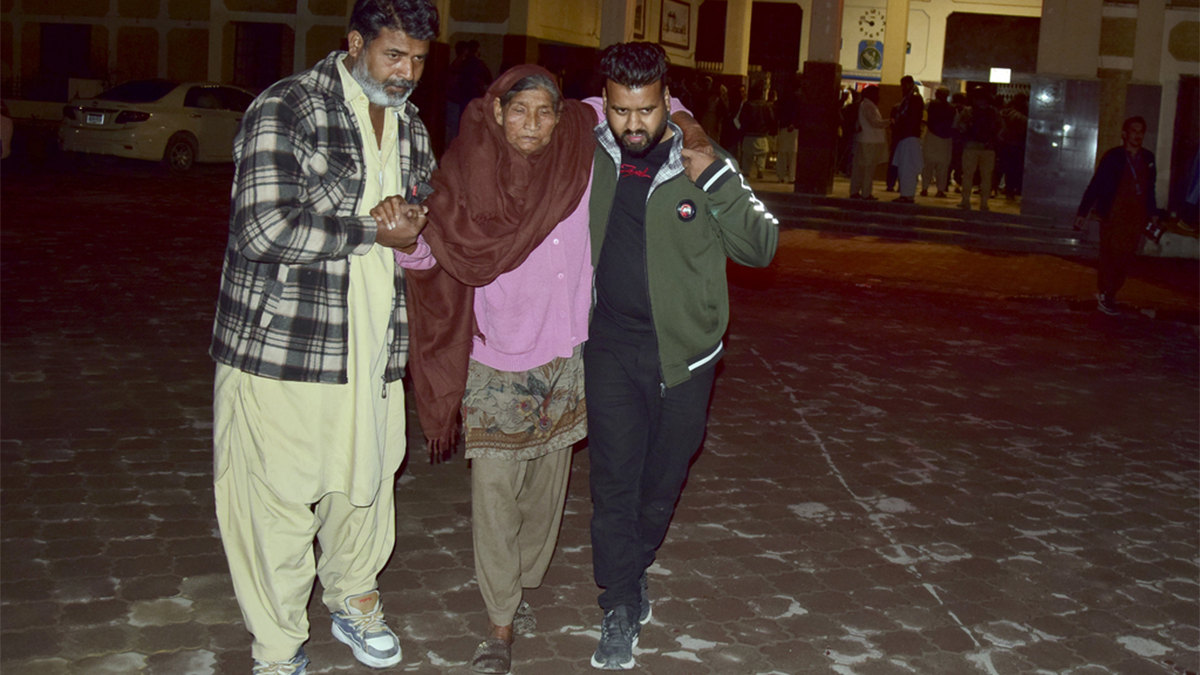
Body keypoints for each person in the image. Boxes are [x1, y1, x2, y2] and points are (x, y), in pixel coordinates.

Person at [400, 65, 709, 675]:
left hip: (570, 354)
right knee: (494, 493)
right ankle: (499, 622)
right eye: (518, 111)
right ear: (494, 111)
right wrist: (403, 241)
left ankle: (522, 582)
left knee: (546, 494)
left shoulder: (578, 139)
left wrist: (692, 132)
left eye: (544, 110)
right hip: (495, 360)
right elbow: (433, 245)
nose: (533, 125)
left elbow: (648, 104)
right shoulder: (464, 171)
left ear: (561, 111)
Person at [208, 1, 439, 673]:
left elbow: (420, 212)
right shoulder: (288, 107)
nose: (406, 73)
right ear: (355, 44)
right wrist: (372, 229)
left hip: (373, 348)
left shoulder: (412, 125)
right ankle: (279, 650)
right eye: (394, 55)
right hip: (285, 346)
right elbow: (261, 230)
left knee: (364, 485)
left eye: (419, 61)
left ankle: (352, 597)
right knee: (274, 504)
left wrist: (411, 217)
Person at [584, 41, 779, 671]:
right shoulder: (590, 154)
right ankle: (618, 601)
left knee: (661, 482)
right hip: (611, 344)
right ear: (605, 103)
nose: (633, 125)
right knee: (614, 478)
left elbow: (762, 246)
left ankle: (630, 571)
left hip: (687, 357)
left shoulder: (705, 160)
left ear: (669, 101)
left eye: (644, 110)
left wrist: (716, 179)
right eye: (620, 111)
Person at [1074, 116, 1159, 315]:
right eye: (1133, 131)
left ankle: (1110, 292)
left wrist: (1153, 213)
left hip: (1136, 215)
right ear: (1124, 134)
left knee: (1126, 255)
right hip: (1113, 213)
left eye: (1140, 132)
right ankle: (1105, 293)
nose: (1137, 135)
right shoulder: (1113, 156)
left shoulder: (1148, 158)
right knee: (1110, 252)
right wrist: (1083, 211)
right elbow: (1096, 184)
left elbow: (1150, 189)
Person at [957, 89, 1000, 212]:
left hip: (971, 147)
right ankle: (984, 203)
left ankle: (965, 201)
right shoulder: (994, 112)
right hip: (988, 148)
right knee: (986, 176)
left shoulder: (968, 111)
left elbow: (961, 127)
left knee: (968, 175)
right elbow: (1001, 128)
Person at [849, 85, 888, 200]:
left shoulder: (864, 105)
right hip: (870, 142)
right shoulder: (868, 106)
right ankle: (866, 193)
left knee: (859, 168)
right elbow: (874, 123)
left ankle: (855, 191)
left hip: (865, 140)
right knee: (867, 169)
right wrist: (889, 122)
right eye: (876, 94)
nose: (879, 97)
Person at [890, 75, 924, 203]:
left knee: (907, 167)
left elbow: (907, 116)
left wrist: (898, 124)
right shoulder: (912, 97)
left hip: (908, 136)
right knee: (907, 167)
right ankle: (907, 194)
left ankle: (906, 194)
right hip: (909, 136)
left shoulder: (913, 98)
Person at [737, 82, 777, 179]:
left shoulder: (747, 105)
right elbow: (771, 119)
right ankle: (760, 170)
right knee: (762, 155)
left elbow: (741, 118)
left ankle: (746, 171)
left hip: (748, 134)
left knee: (747, 155)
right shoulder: (766, 106)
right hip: (761, 134)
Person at [921, 86, 954, 198]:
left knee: (927, 166)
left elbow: (921, 112)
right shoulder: (952, 108)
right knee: (943, 168)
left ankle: (924, 189)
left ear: (937, 94)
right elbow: (955, 124)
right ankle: (940, 190)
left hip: (931, 137)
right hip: (945, 141)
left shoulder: (930, 104)